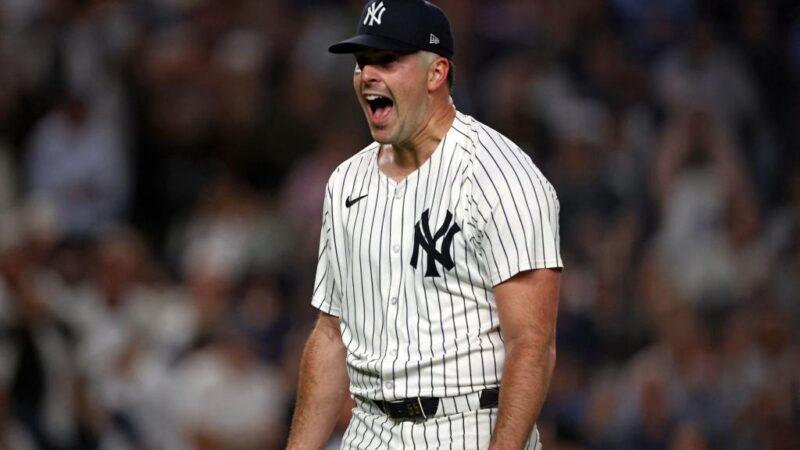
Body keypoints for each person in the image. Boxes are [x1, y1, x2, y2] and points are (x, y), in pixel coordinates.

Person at [286, 1, 563, 448]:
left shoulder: (502, 177)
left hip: (468, 424)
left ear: (436, 73)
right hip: (368, 429)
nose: (368, 75)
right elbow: (331, 336)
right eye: (362, 63)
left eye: (387, 61)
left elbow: (531, 344)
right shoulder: (345, 183)